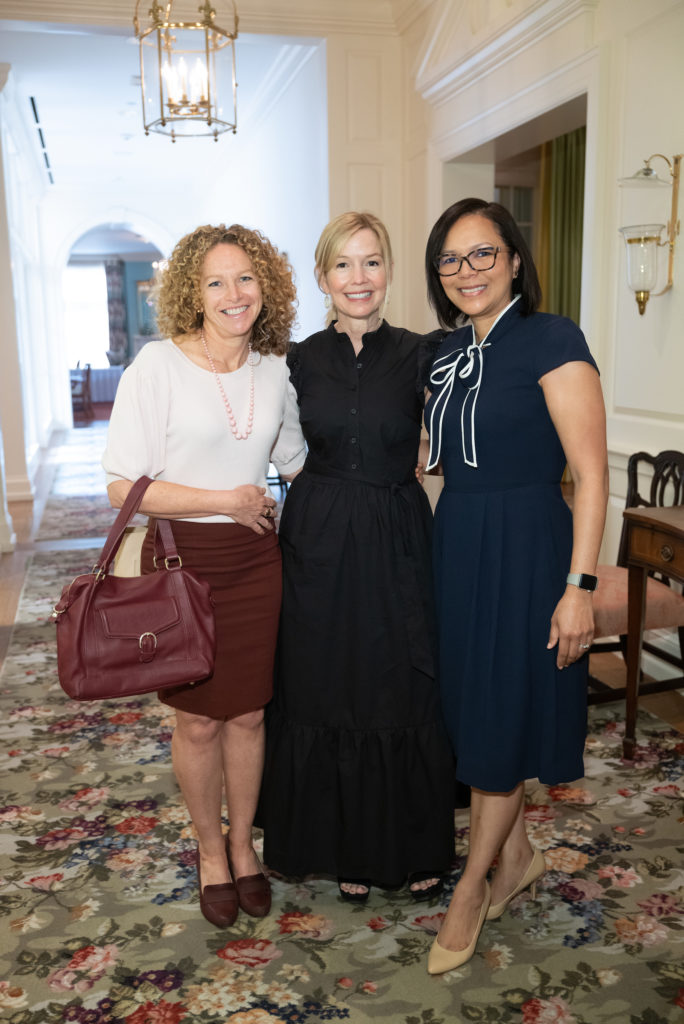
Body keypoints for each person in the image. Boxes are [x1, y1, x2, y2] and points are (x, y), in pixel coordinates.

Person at [421, 198, 608, 973]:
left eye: (483, 255)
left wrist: (581, 587)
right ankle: (520, 855)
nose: (468, 271)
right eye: (452, 260)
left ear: (515, 260)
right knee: (474, 715)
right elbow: (430, 464)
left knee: (499, 718)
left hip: (528, 548)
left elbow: (594, 475)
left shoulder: (552, 338)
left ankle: (471, 891)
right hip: (458, 545)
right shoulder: (442, 353)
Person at [102, 224, 306, 928]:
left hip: (255, 563)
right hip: (181, 562)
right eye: (216, 281)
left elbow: (299, 457)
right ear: (193, 290)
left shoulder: (275, 368)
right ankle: (209, 852)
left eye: (245, 278)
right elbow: (123, 486)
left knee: (249, 713)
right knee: (195, 723)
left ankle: (244, 844)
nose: (233, 294)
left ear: (266, 287)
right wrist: (227, 501)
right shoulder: (156, 369)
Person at [258, 211, 455, 902]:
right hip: (317, 538)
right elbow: (278, 445)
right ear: (322, 278)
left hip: (398, 532)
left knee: (402, 680)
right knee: (327, 682)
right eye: (343, 265)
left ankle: (416, 843)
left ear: (389, 271)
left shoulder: (422, 352)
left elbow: (455, 426)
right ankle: (344, 850)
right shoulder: (298, 359)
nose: (358, 278)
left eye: (371, 262)